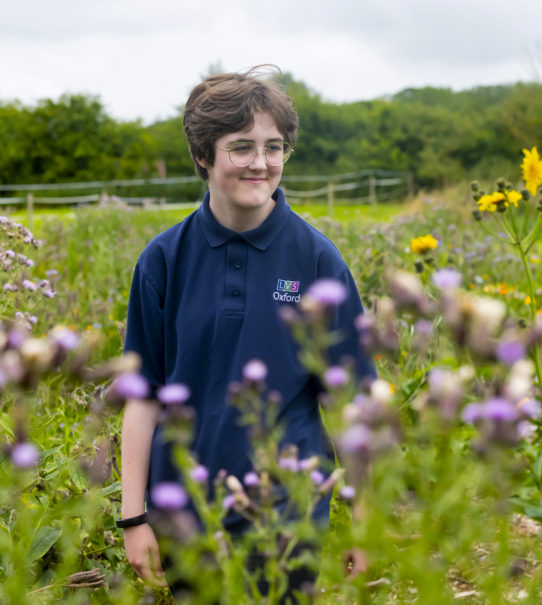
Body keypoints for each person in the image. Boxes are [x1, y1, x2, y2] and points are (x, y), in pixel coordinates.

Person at [119, 66, 373, 601]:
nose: (261, 163)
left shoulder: (317, 260)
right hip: (183, 510)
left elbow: (350, 403)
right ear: (203, 156)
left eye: (274, 147)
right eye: (242, 148)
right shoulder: (163, 261)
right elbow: (141, 398)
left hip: (287, 509)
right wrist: (133, 517)